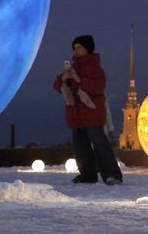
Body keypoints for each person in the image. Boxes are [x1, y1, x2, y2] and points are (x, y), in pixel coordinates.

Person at [53, 35, 123, 185]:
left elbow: (98, 87)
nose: (76, 50)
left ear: (88, 49)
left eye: (79, 47)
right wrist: (63, 78)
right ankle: (87, 174)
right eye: (74, 48)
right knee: (80, 147)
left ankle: (112, 175)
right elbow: (57, 85)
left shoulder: (95, 68)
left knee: (100, 145)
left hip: (92, 113)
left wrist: (78, 79)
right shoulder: (72, 67)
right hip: (76, 114)